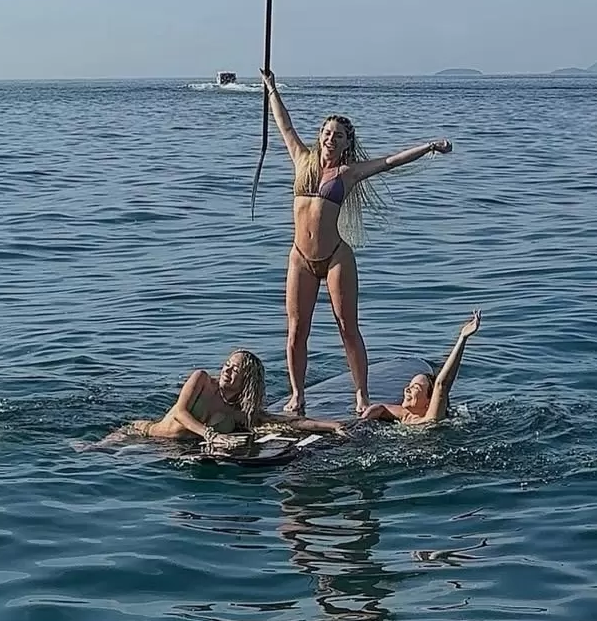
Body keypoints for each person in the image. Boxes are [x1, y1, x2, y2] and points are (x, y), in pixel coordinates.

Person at [259, 69, 453, 416]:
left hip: (335, 257)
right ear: (320, 136)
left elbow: (389, 162)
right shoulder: (302, 160)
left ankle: (361, 394)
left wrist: (429, 146)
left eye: (338, 136)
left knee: (347, 326)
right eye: (326, 132)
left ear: (348, 143)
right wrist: (272, 89)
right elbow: (284, 126)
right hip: (300, 258)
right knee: (295, 330)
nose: (330, 139)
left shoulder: (348, 174)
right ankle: (297, 395)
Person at [78, 348, 347, 451]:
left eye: (236, 369)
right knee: (93, 454)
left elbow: (289, 422)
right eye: (227, 364)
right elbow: (182, 413)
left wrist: (331, 425)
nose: (227, 370)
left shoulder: (240, 412)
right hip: (143, 434)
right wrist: (211, 435)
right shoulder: (202, 380)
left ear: (247, 382)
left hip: (170, 449)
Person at [358, 311, 481, 425]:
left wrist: (462, 338)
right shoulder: (406, 415)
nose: (407, 389)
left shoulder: (430, 419)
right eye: (410, 385)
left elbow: (441, 384)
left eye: (416, 388)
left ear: (429, 403)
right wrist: (363, 420)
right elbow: (381, 408)